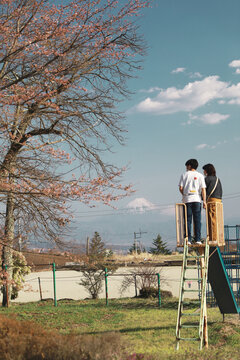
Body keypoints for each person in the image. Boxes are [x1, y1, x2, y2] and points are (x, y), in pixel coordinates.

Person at [179, 159, 206, 245]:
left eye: (187, 166)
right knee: (197, 220)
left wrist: (184, 194)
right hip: (197, 198)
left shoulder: (184, 175)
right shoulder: (200, 175)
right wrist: (204, 201)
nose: (186, 167)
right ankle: (198, 239)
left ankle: (188, 239)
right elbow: (203, 189)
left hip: (187, 199)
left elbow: (180, 188)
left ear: (190, 166)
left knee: (187, 220)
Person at [202, 163, 223, 242]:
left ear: (207, 170)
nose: (203, 172)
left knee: (211, 220)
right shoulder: (217, 179)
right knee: (217, 220)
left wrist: (203, 200)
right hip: (218, 201)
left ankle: (213, 238)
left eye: (204, 170)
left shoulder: (207, 179)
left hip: (211, 201)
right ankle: (216, 237)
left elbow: (204, 191)